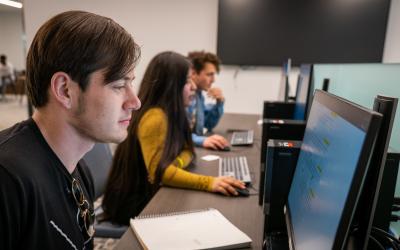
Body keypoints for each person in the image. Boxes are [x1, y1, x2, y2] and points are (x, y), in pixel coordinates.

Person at [0, 11, 141, 250]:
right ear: (65, 90)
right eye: (118, 85)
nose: (135, 101)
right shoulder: (8, 180)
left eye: (131, 83)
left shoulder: (76, 167)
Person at [102, 51, 245, 225]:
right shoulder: (154, 117)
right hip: (135, 203)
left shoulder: (173, 113)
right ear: (171, 85)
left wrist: (173, 165)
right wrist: (210, 183)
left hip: (153, 192)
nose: (192, 86)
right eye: (186, 81)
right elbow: (161, 174)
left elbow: (188, 151)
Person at [187, 51, 229, 150]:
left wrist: (219, 103)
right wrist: (202, 140)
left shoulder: (199, 95)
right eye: (209, 74)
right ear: (193, 73)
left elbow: (208, 123)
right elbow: (178, 135)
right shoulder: (184, 97)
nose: (213, 80)